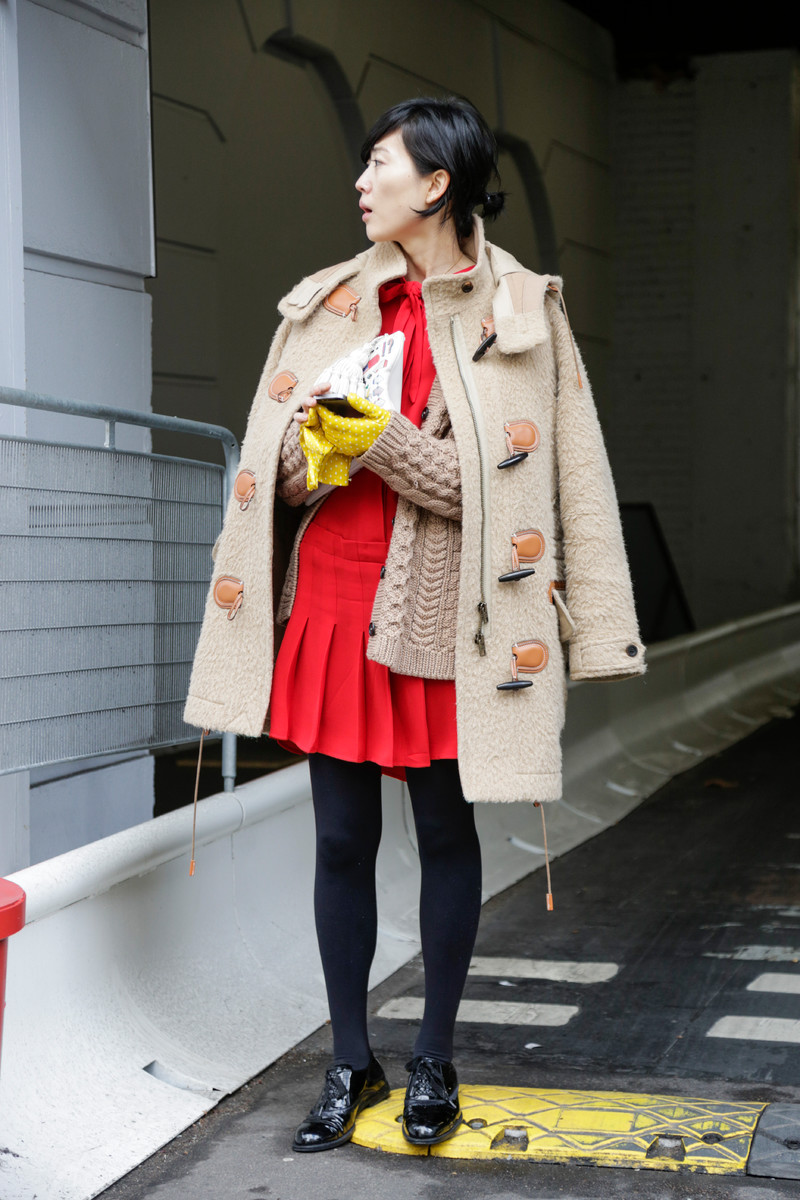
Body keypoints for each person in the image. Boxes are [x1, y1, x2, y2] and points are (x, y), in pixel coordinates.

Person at [184, 96, 646, 1153]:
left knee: (444, 832)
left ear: (436, 184)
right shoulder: (327, 305)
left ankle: (434, 1056)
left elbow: (517, 493)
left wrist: (378, 439)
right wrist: (316, 455)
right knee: (340, 839)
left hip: (451, 614)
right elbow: (278, 482)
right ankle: (351, 1061)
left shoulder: (522, 312)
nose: (360, 183)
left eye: (379, 164)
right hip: (330, 603)